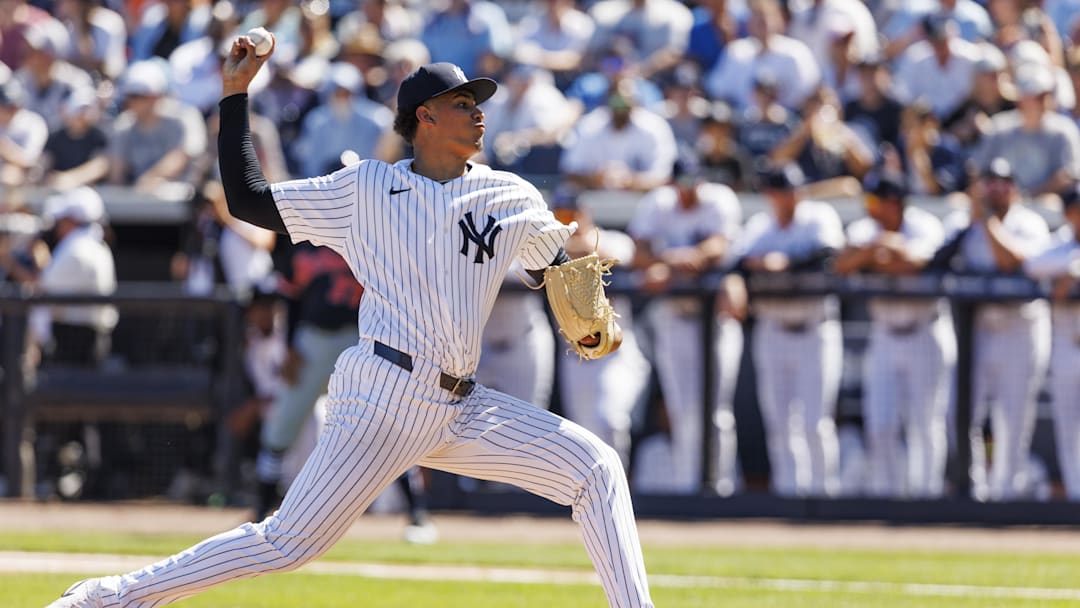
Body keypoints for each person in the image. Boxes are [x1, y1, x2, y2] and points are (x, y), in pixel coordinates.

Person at [46, 35, 653, 608]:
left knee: (594, 470)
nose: (478, 114)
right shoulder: (365, 188)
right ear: (425, 118)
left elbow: (557, 271)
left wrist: (586, 307)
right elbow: (249, 200)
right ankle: (108, 597)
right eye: (462, 103)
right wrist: (235, 99)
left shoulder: (511, 196)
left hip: (464, 406)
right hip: (383, 394)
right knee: (286, 543)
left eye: (479, 104)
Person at [935, 157, 1051, 501]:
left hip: (1021, 329)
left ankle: (1008, 495)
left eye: (1004, 181)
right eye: (990, 181)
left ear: (1014, 188)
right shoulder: (964, 221)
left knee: (1013, 420)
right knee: (959, 412)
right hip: (979, 332)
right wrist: (970, 222)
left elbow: (1011, 261)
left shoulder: (1030, 223)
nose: (996, 188)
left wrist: (985, 221)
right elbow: (935, 263)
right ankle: (972, 489)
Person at [834, 171, 955, 498]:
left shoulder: (925, 224)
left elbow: (920, 263)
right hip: (885, 334)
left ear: (894, 202)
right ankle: (885, 498)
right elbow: (842, 264)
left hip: (925, 331)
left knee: (926, 423)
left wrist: (880, 252)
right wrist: (877, 250)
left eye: (875, 201)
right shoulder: (865, 228)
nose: (869, 207)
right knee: (880, 423)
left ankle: (927, 499)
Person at [729, 163, 845, 497]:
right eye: (780, 191)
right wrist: (737, 278)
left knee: (814, 423)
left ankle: (825, 497)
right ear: (770, 195)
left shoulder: (818, 217)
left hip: (815, 329)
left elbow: (829, 257)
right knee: (779, 424)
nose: (787, 197)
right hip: (773, 329)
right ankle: (788, 495)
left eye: (791, 190)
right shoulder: (760, 226)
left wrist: (784, 263)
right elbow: (736, 262)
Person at [627, 161, 743, 495]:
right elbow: (639, 254)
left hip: (715, 319)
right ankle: (687, 489)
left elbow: (719, 246)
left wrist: (678, 260)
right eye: (682, 183)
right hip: (675, 318)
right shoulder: (658, 203)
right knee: (682, 411)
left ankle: (719, 488)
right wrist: (675, 262)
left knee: (718, 412)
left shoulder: (718, 200)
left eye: (693, 182)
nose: (688, 189)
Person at [1023, 181, 1080, 500]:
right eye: (1076, 210)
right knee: (1068, 427)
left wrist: (1073, 270)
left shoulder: (1067, 256)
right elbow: (1032, 265)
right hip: (1065, 345)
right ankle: (1075, 497)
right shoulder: (1057, 243)